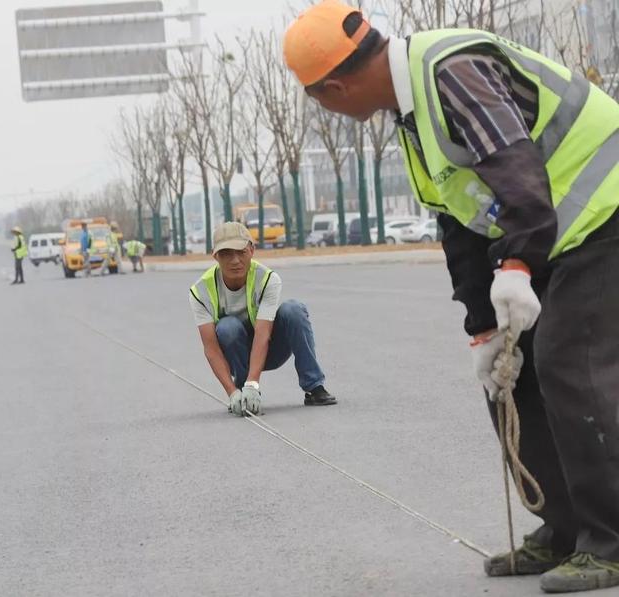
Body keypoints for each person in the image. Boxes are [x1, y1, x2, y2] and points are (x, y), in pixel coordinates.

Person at [283, 2, 619, 593]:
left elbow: (518, 173)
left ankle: (611, 537)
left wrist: (516, 266)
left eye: (319, 100)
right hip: (555, 231)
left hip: (604, 213)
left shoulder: (450, 72)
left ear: (333, 88)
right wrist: (483, 329)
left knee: (569, 361)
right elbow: (460, 225)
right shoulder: (412, 115)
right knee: (510, 379)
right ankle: (565, 527)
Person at [189, 221, 337, 416]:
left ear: (252, 250)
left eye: (241, 252)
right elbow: (211, 349)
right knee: (227, 327)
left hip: (270, 349)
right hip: (236, 356)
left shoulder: (267, 279)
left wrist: (253, 383)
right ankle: (242, 394)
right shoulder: (201, 291)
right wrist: (231, 392)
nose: (235, 260)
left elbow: (263, 333)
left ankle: (314, 387)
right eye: (227, 254)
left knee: (294, 310)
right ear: (215, 255)